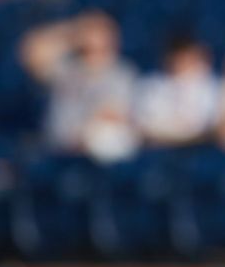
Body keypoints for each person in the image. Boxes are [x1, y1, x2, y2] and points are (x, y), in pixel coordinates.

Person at [19, 10, 139, 163]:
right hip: (60, 152)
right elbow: (33, 54)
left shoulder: (122, 73)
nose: (94, 46)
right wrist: (73, 33)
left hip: (98, 157)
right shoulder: (68, 69)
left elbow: (115, 115)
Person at [133, 36, 225, 147]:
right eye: (181, 58)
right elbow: (147, 125)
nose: (185, 63)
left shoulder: (215, 86)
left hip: (201, 146)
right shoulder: (151, 86)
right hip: (160, 146)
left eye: (191, 58)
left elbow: (211, 123)